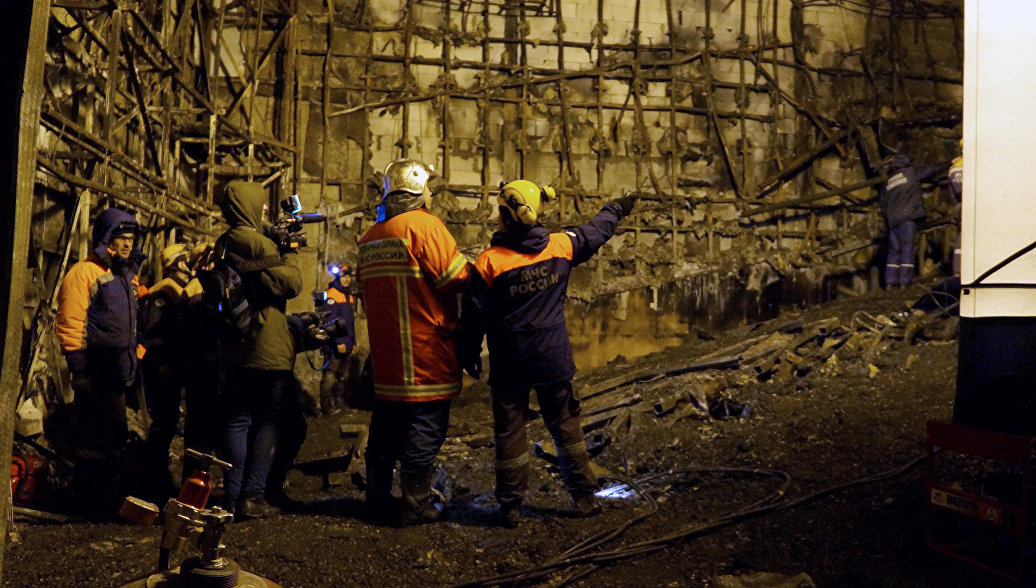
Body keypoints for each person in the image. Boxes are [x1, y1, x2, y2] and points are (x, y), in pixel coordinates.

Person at [457, 181, 635, 528]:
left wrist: (468, 351)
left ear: (508, 215)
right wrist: (617, 207)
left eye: (500, 210)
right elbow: (596, 231)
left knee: (510, 431)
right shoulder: (559, 246)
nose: (497, 216)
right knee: (566, 426)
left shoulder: (490, 261)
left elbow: (473, 314)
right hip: (553, 358)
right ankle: (583, 497)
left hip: (510, 363)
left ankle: (510, 507)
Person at [356, 158, 470, 525]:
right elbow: (454, 278)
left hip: (388, 358)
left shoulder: (371, 236)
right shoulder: (425, 226)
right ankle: (416, 501)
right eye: (429, 188)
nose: (432, 194)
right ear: (417, 191)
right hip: (425, 352)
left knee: (386, 427)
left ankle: (376, 496)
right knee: (424, 429)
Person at [215, 181, 302, 520]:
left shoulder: (225, 241)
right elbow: (290, 283)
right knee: (267, 421)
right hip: (265, 345)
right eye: (260, 205)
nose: (265, 210)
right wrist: (290, 251)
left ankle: (233, 497)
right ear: (247, 205)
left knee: (237, 421)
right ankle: (253, 496)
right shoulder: (255, 242)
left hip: (235, 347)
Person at [55, 207, 146, 514]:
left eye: (131, 238)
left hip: (118, 373)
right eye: (121, 237)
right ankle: (89, 503)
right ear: (106, 238)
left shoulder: (123, 276)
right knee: (95, 441)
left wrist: (136, 358)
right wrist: (78, 368)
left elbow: (130, 327)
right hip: (96, 372)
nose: (127, 244)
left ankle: (105, 499)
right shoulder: (84, 273)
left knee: (114, 438)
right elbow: (71, 322)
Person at [879, 154, 947, 287]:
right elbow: (931, 170)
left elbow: (883, 204)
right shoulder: (910, 173)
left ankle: (889, 283)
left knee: (894, 251)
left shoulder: (888, 181)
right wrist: (949, 162)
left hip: (892, 221)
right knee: (907, 248)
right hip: (907, 218)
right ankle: (905, 283)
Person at [319, 263, 356, 415]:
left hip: (347, 342)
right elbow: (330, 322)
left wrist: (353, 342)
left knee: (343, 374)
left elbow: (350, 322)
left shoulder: (348, 296)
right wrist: (338, 342)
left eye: (348, 277)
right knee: (331, 372)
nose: (347, 280)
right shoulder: (331, 295)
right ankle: (327, 405)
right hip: (336, 343)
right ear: (338, 278)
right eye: (344, 277)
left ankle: (339, 402)